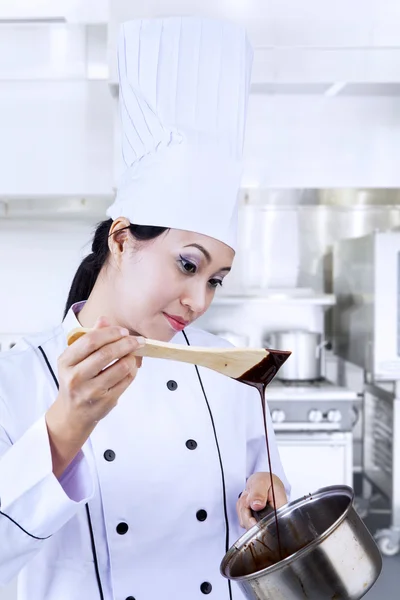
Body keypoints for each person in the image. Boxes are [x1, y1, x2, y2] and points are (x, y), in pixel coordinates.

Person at [0, 16, 290, 600]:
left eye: (217, 281)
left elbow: (268, 487)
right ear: (123, 237)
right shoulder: (19, 377)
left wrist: (268, 497)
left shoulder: (230, 369)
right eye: (188, 264)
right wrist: (66, 428)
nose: (198, 300)